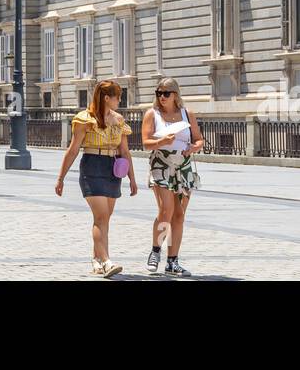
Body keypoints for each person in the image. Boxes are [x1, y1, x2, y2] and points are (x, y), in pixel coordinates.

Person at [55, 79, 137, 278]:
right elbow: (73, 150)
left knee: (104, 218)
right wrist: (61, 178)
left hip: (113, 169)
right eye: (118, 97)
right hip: (92, 166)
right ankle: (107, 261)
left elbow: (125, 151)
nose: (120, 100)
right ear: (107, 98)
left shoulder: (119, 120)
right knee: (101, 217)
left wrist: (132, 179)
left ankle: (97, 259)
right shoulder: (85, 119)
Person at [141, 77, 204, 277]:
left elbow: (199, 139)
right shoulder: (152, 114)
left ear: (175, 94)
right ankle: (155, 251)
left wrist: (194, 147)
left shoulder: (187, 114)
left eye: (166, 93)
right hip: (161, 163)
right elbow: (146, 142)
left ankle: (172, 261)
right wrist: (162, 141)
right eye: (158, 93)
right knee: (165, 210)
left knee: (179, 215)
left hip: (183, 166)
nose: (161, 97)